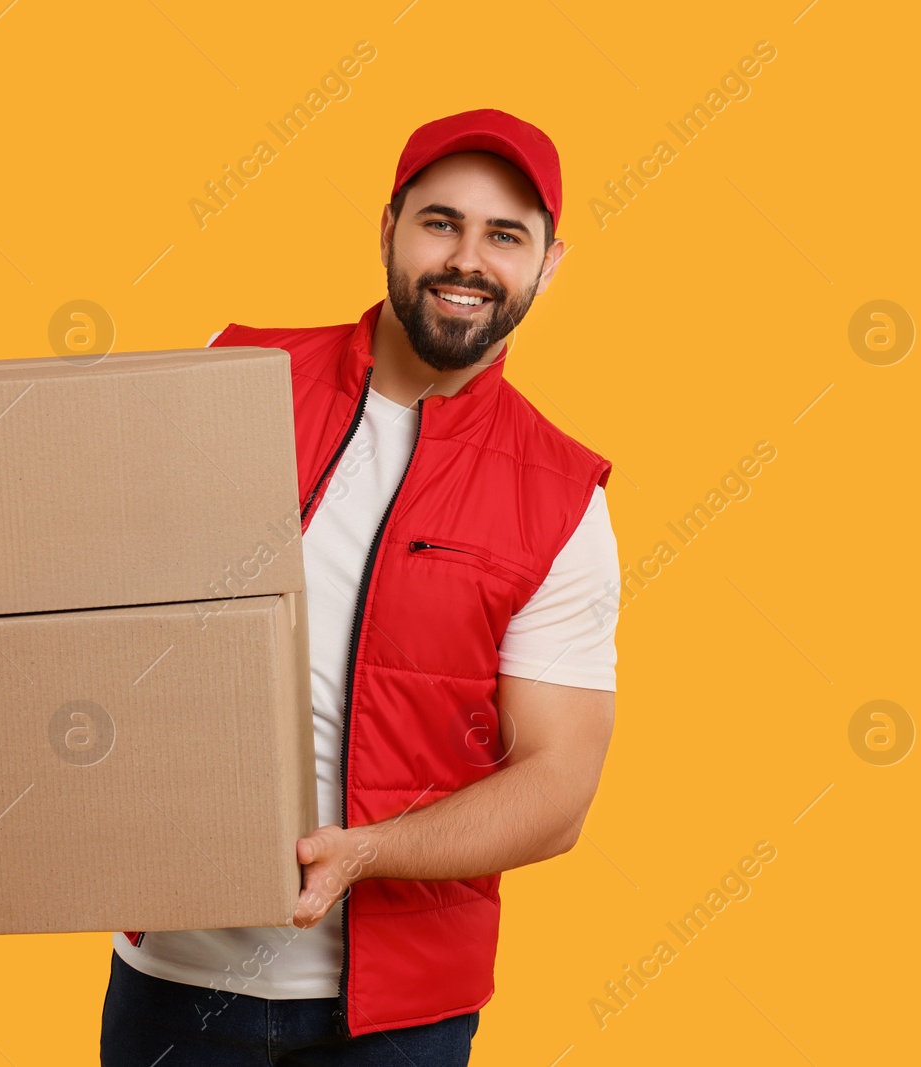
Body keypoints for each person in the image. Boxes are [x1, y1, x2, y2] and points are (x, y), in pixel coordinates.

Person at [100, 108, 619, 1066]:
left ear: (548, 265)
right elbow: (103, 610)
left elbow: (558, 788)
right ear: (388, 230)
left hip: (399, 1022)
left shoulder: (561, 500)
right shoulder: (237, 373)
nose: (468, 258)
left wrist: (365, 853)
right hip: (174, 981)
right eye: (441, 222)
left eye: (506, 236)